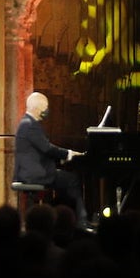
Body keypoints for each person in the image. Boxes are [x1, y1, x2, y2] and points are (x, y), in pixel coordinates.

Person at [13, 91, 92, 230]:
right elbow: (47, 148)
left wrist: (61, 159)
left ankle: (62, 219)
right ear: (36, 109)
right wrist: (68, 154)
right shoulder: (30, 125)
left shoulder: (27, 123)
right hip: (35, 174)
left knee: (65, 179)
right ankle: (81, 221)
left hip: (33, 171)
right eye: (45, 107)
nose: (46, 110)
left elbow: (40, 150)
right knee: (72, 179)